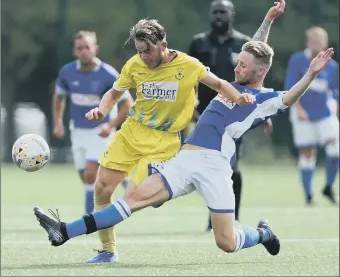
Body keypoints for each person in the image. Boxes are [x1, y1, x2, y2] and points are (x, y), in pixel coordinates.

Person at [33, 42, 335, 259]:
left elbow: (290, 98)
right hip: (185, 159)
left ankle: (264, 234)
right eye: (238, 62)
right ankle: (64, 231)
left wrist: (310, 74)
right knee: (132, 199)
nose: (236, 66)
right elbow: (258, 47)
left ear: (260, 71)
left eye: (243, 64)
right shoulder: (234, 84)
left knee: (227, 242)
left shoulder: (263, 100)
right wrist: (269, 18)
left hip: (215, 168)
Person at [58, 19, 253, 263]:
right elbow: (114, 92)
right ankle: (108, 251)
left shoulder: (188, 65)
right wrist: (101, 109)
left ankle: (157, 192)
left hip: (163, 141)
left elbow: (219, 84)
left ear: (163, 45)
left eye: (147, 50)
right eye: (139, 51)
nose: (144, 56)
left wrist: (239, 98)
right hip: (131, 133)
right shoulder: (135, 64)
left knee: (132, 196)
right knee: (102, 188)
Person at [188, 0, 274, 229]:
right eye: (215, 12)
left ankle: (230, 217)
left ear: (232, 15)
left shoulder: (244, 44)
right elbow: (189, 77)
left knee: (231, 168)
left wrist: (263, 114)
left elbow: (256, 81)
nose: (218, 16)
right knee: (205, 167)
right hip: (206, 114)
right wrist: (191, 106)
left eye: (223, 12)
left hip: (237, 114)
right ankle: (217, 216)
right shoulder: (198, 43)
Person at [53, 31, 133, 215]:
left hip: (100, 131)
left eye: (87, 47)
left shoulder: (108, 74)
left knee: (91, 174)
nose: (83, 51)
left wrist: (110, 125)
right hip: (77, 131)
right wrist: (58, 122)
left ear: (95, 49)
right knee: (85, 178)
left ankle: (90, 217)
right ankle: (120, 174)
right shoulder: (67, 72)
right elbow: (59, 97)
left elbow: (127, 104)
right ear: (74, 51)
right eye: (79, 48)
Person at [285, 27, 339, 205]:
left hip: (325, 113)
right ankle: (309, 195)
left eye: (320, 41)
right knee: (308, 153)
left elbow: (335, 92)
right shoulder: (298, 60)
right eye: (313, 40)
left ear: (325, 43)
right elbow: (291, 86)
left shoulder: (332, 65)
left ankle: (328, 187)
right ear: (307, 43)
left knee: (334, 149)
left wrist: (335, 110)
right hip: (303, 114)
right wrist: (299, 108)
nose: (317, 44)